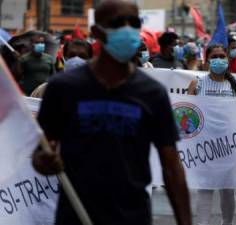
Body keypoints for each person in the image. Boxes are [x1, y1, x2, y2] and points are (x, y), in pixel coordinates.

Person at [31, 1, 192, 225]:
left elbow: (172, 165)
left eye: (133, 22)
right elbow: (41, 154)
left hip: (132, 217)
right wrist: (45, 161)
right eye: (117, 23)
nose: (127, 29)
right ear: (97, 32)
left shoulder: (152, 93)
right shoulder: (63, 88)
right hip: (76, 216)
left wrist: (185, 221)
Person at [187, 44, 236, 225]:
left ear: (228, 59)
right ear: (207, 60)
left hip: (229, 145)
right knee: (204, 189)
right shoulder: (197, 83)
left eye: (223, 56)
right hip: (204, 145)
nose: (219, 60)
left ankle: (227, 222)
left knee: (227, 190)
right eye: (215, 56)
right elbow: (188, 113)